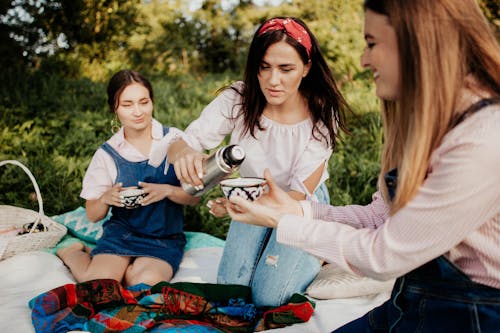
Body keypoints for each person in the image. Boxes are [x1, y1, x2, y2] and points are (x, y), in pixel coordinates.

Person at [225, 0, 500, 331]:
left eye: (372, 43)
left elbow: (384, 255)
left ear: (419, 42)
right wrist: (302, 212)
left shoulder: (483, 138)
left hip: (473, 317)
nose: (363, 60)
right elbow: (377, 218)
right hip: (413, 302)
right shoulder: (431, 123)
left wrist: (284, 222)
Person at [167, 17, 350, 306]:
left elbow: (295, 197)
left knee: (270, 297)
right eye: (264, 67)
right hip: (251, 194)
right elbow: (181, 143)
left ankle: (319, 250)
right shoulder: (238, 98)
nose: (272, 80)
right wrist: (185, 154)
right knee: (233, 291)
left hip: (298, 204)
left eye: (285, 69)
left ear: (306, 68)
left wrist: (235, 209)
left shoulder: (322, 115)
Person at [57, 70, 199, 287]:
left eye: (144, 102)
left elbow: (194, 198)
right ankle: (72, 252)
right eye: (127, 104)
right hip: (122, 234)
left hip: (164, 238)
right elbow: (93, 215)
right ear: (115, 109)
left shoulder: (174, 139)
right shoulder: (108, 154)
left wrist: (168, 191)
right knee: (99, 285)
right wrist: (105, 198)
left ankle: (126, 268)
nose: (137, 111)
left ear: (152, 102)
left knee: (144, 284)